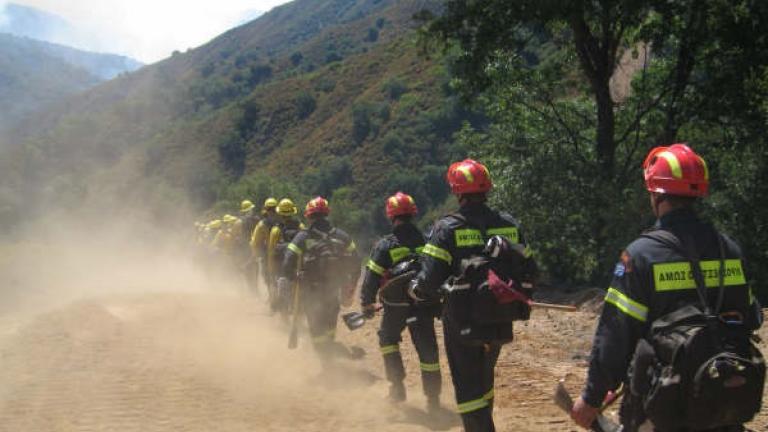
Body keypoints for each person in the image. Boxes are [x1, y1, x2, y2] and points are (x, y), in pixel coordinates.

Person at [571, 144, 763, 431]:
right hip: (719, 395)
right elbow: (752, 317)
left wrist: (592, 397)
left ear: (656, 193)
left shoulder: (641, 255)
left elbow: (616, 334)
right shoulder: (728, 249)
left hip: (664, 402)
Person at [410, 159, 536, 432]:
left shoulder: (446, 229)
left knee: (468, 390)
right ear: (486, 189)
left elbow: (429, 282)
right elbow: (531, 267)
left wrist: (415, 289)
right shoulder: (509, 225)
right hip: (501, 316)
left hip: (462, 321)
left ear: (457, 192)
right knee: (484, 376)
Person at [359, 192, 442, 410]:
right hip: (422, 303)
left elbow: (372, 276)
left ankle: (397, 389)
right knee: (428, 351)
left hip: (396, 306)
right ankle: (433, 401)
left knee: (387, 339)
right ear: (413, 214)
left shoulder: (385, 245)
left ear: (390, 216)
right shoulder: (427, 240)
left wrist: (366, 303)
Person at [279, 197, 359, 363]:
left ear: (308, 216)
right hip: (333, 290)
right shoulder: (342, 236)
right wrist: (350, 285)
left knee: (316, 328)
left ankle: (326, 362)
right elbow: (356, 262)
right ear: (327, 214)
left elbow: (288, 261)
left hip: (311, 291)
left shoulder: (302, 237)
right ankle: (329, 351)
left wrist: (293, 277)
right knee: (330, 325)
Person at [266, 198, 305, 312]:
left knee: (281, 291)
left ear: (280, 213)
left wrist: (271, 270)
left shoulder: (276, 230)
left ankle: (283, 319)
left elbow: (271, 252)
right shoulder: (301, 227)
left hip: (282, 267)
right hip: (299, 265)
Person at [250, 197, 279, 298]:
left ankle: (272, 298)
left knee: (268, 276)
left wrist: (255, 255)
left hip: (267, 254)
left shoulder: (262, 224)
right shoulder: (282, 220)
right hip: (281, 252)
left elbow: (254, 242)